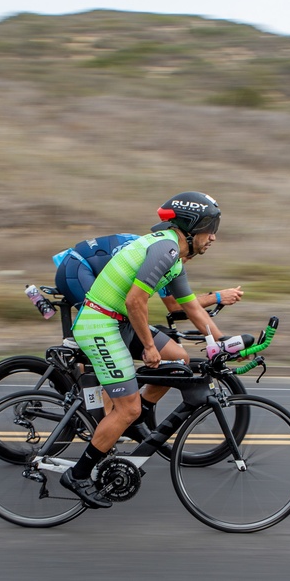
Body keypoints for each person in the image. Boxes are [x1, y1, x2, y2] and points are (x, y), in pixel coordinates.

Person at [59, 191, 239, 508]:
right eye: (210, 228)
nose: (213, 237)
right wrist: (147, 346)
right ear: (191, 226)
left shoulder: (174, 259)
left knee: (164, 374)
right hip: (100, 324)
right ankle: (79, 474)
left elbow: (194, 310)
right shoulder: (165, 249)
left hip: (113, 323)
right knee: (128, 409)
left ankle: (117, 427)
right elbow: (134, 301)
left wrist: (225, 345)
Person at [53, 233, 243, 322]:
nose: (183, 266)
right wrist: (217, 297)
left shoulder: (167, 251)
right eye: (186, 260)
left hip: (81, 266)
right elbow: (176, 306)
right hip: (76, 267)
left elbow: (176, 305)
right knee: (107, 325)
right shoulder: (163, 255)